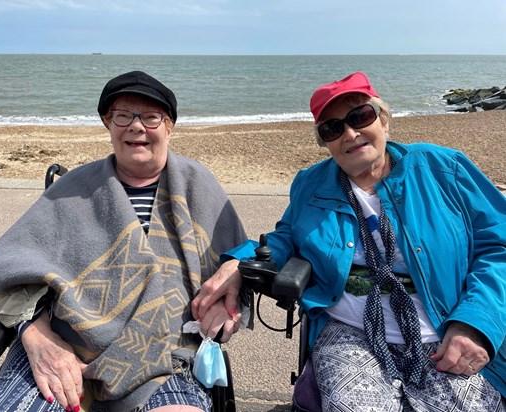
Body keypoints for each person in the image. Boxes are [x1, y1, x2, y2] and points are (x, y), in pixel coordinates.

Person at [192, 72, 506, 411]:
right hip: (350, 328)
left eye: (360, 117)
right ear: (325, 142)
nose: (350, 134)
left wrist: (475, 321)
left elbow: (498, 246)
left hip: (445, 323)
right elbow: (285, 237)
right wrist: (239, 263)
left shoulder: (444, 169)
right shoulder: (311, 184)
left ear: (384, 121)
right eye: (333, 128)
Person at [0, 70, 247, 412]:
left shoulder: (198, 185)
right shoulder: (71, 191)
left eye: (150, 116)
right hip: (66, 347)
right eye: (123, 115)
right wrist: (36, 335)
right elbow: (12, 271)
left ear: (169, 127)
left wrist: (233, 275)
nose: (136, 125)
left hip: (166, 358)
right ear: (108, 123)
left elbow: (242, 254)